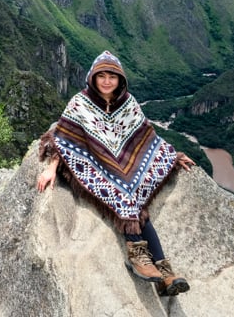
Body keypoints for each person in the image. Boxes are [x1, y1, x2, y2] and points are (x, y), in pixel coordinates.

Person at [36, 50, 196, 296]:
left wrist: (170, 156)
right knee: (125, 197)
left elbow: (146, 138)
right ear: (93, 77)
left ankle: (163, 273)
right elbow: (63, 139)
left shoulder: (128, 104)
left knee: (134, 199)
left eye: (113, 76)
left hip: (124, 168)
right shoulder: (79, 104)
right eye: (102, 76)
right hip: (94, 165)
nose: (107, 81)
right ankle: (141, 257)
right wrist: (51, 168)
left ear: (120, 79)